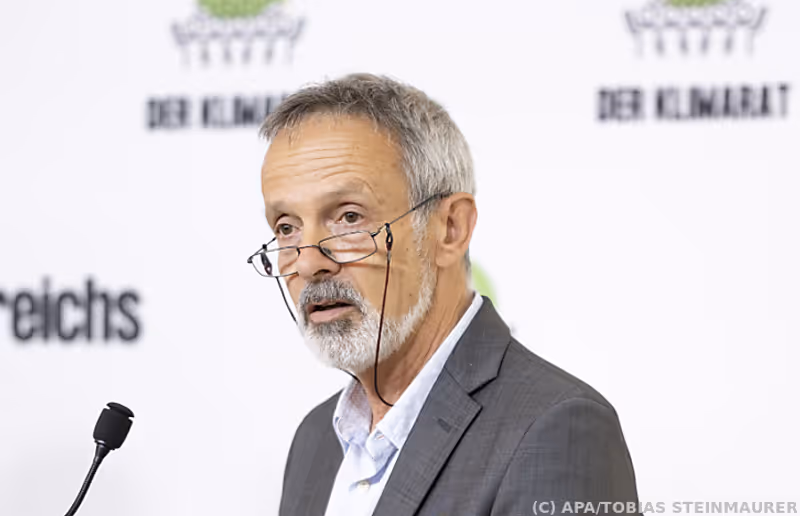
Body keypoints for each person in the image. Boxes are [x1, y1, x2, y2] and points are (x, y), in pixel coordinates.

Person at [249, 74, 639, 516]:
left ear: (450, 228)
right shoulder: (316, 440)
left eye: (349, 217)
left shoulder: (556, 429)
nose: (307, 263)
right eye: (286, 227)